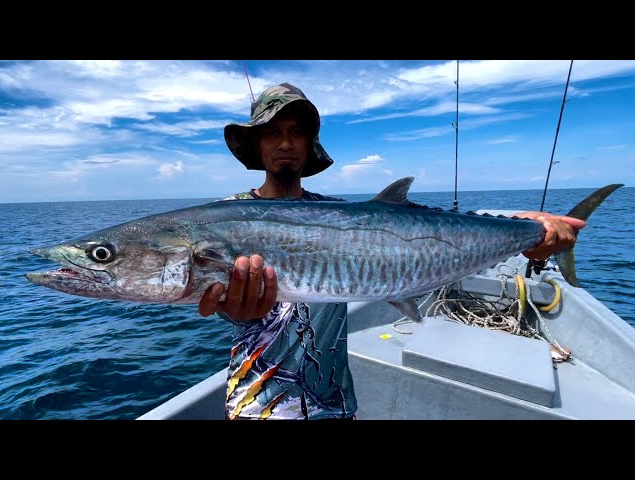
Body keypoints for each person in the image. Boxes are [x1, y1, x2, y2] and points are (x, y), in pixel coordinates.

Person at [198, 82, 586, 420]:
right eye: (272, 132)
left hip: (334, 403)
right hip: (256, 403)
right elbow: (221, 303)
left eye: (296, 131)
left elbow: (429, 229)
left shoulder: (342, 214)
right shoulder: (220, 216)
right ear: (257, 143)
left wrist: (526, 227)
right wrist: (239, 314)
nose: (285, 142)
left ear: (309, 142)